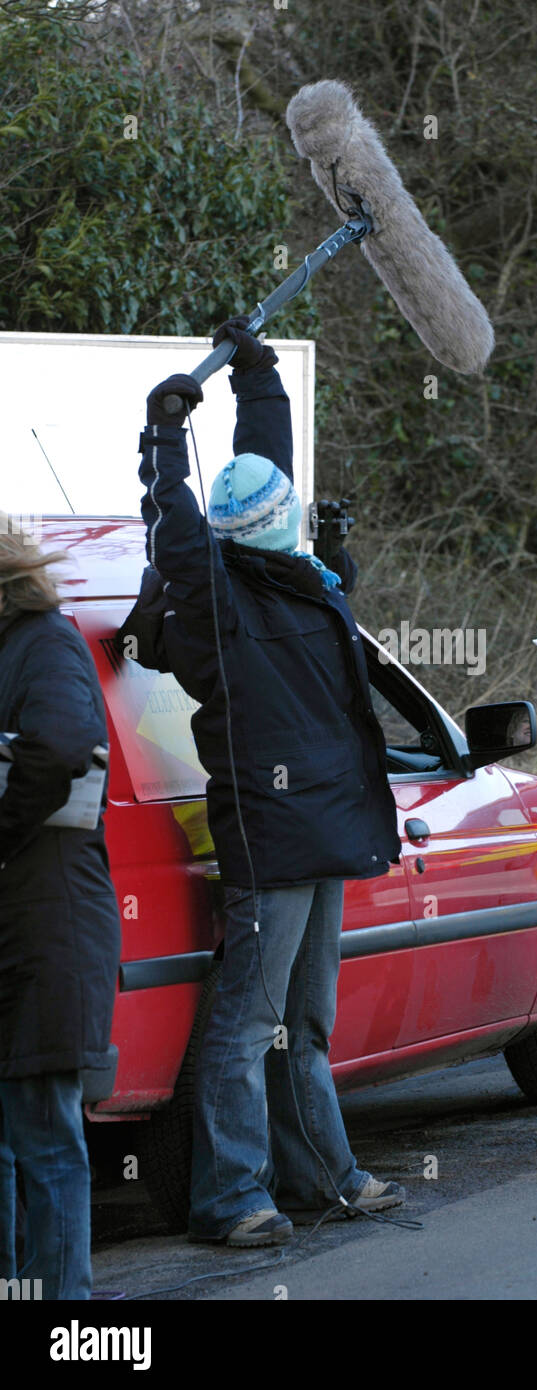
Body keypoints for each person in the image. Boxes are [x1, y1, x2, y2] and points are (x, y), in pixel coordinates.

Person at [136, 319, 406, 1246]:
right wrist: (163, 443)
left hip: (323, 825)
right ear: (269, 528)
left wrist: (259, 378)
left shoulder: (299, 576)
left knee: (304, 1019)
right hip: (273, 833)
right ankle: (232, 1197)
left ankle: (323, 1177)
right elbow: (176, 528)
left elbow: (260, 471)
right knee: (252, 1026)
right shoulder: (216, 597)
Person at [0, 519, 121, 1298]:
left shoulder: (42, 642)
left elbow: (62, 743)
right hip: (30, 914)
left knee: (45, 1137)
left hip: (50, 918)